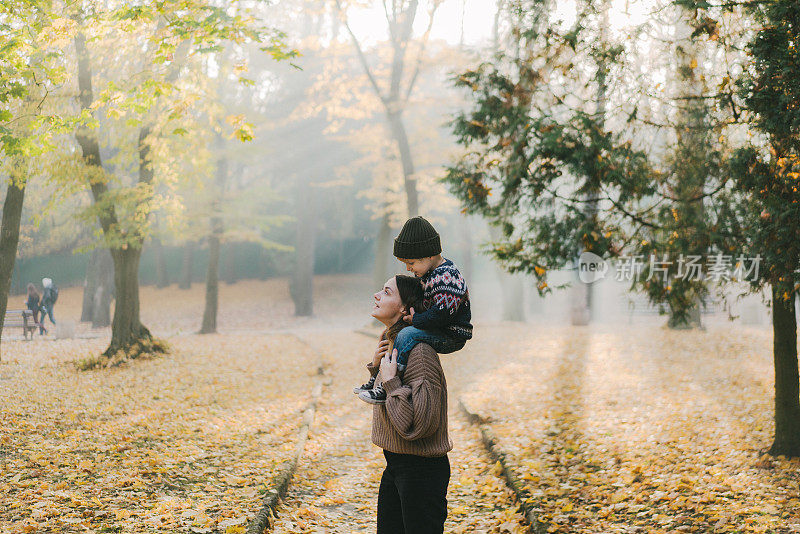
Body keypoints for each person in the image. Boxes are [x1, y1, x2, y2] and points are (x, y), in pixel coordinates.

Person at [360, 274, 452, 534]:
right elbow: (390, 406)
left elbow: (417, 427)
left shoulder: (420, 354)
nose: (377, 295)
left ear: (404, 308)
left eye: (387, 292)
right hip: (397, 465)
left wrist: (390, 383)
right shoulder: (394, 343)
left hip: (420, 473)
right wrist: (376, 371)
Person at [357, 216, 472, 404]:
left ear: (428, 255)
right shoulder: (430, 274)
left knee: (406, 335)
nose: (408, 268)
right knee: (390, 335)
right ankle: (374, 380)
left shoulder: (446, 276)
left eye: (411, 263)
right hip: (436, 328)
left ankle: (388, 385)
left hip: (451, 335)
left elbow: (442, 314)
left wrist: (416, 320)